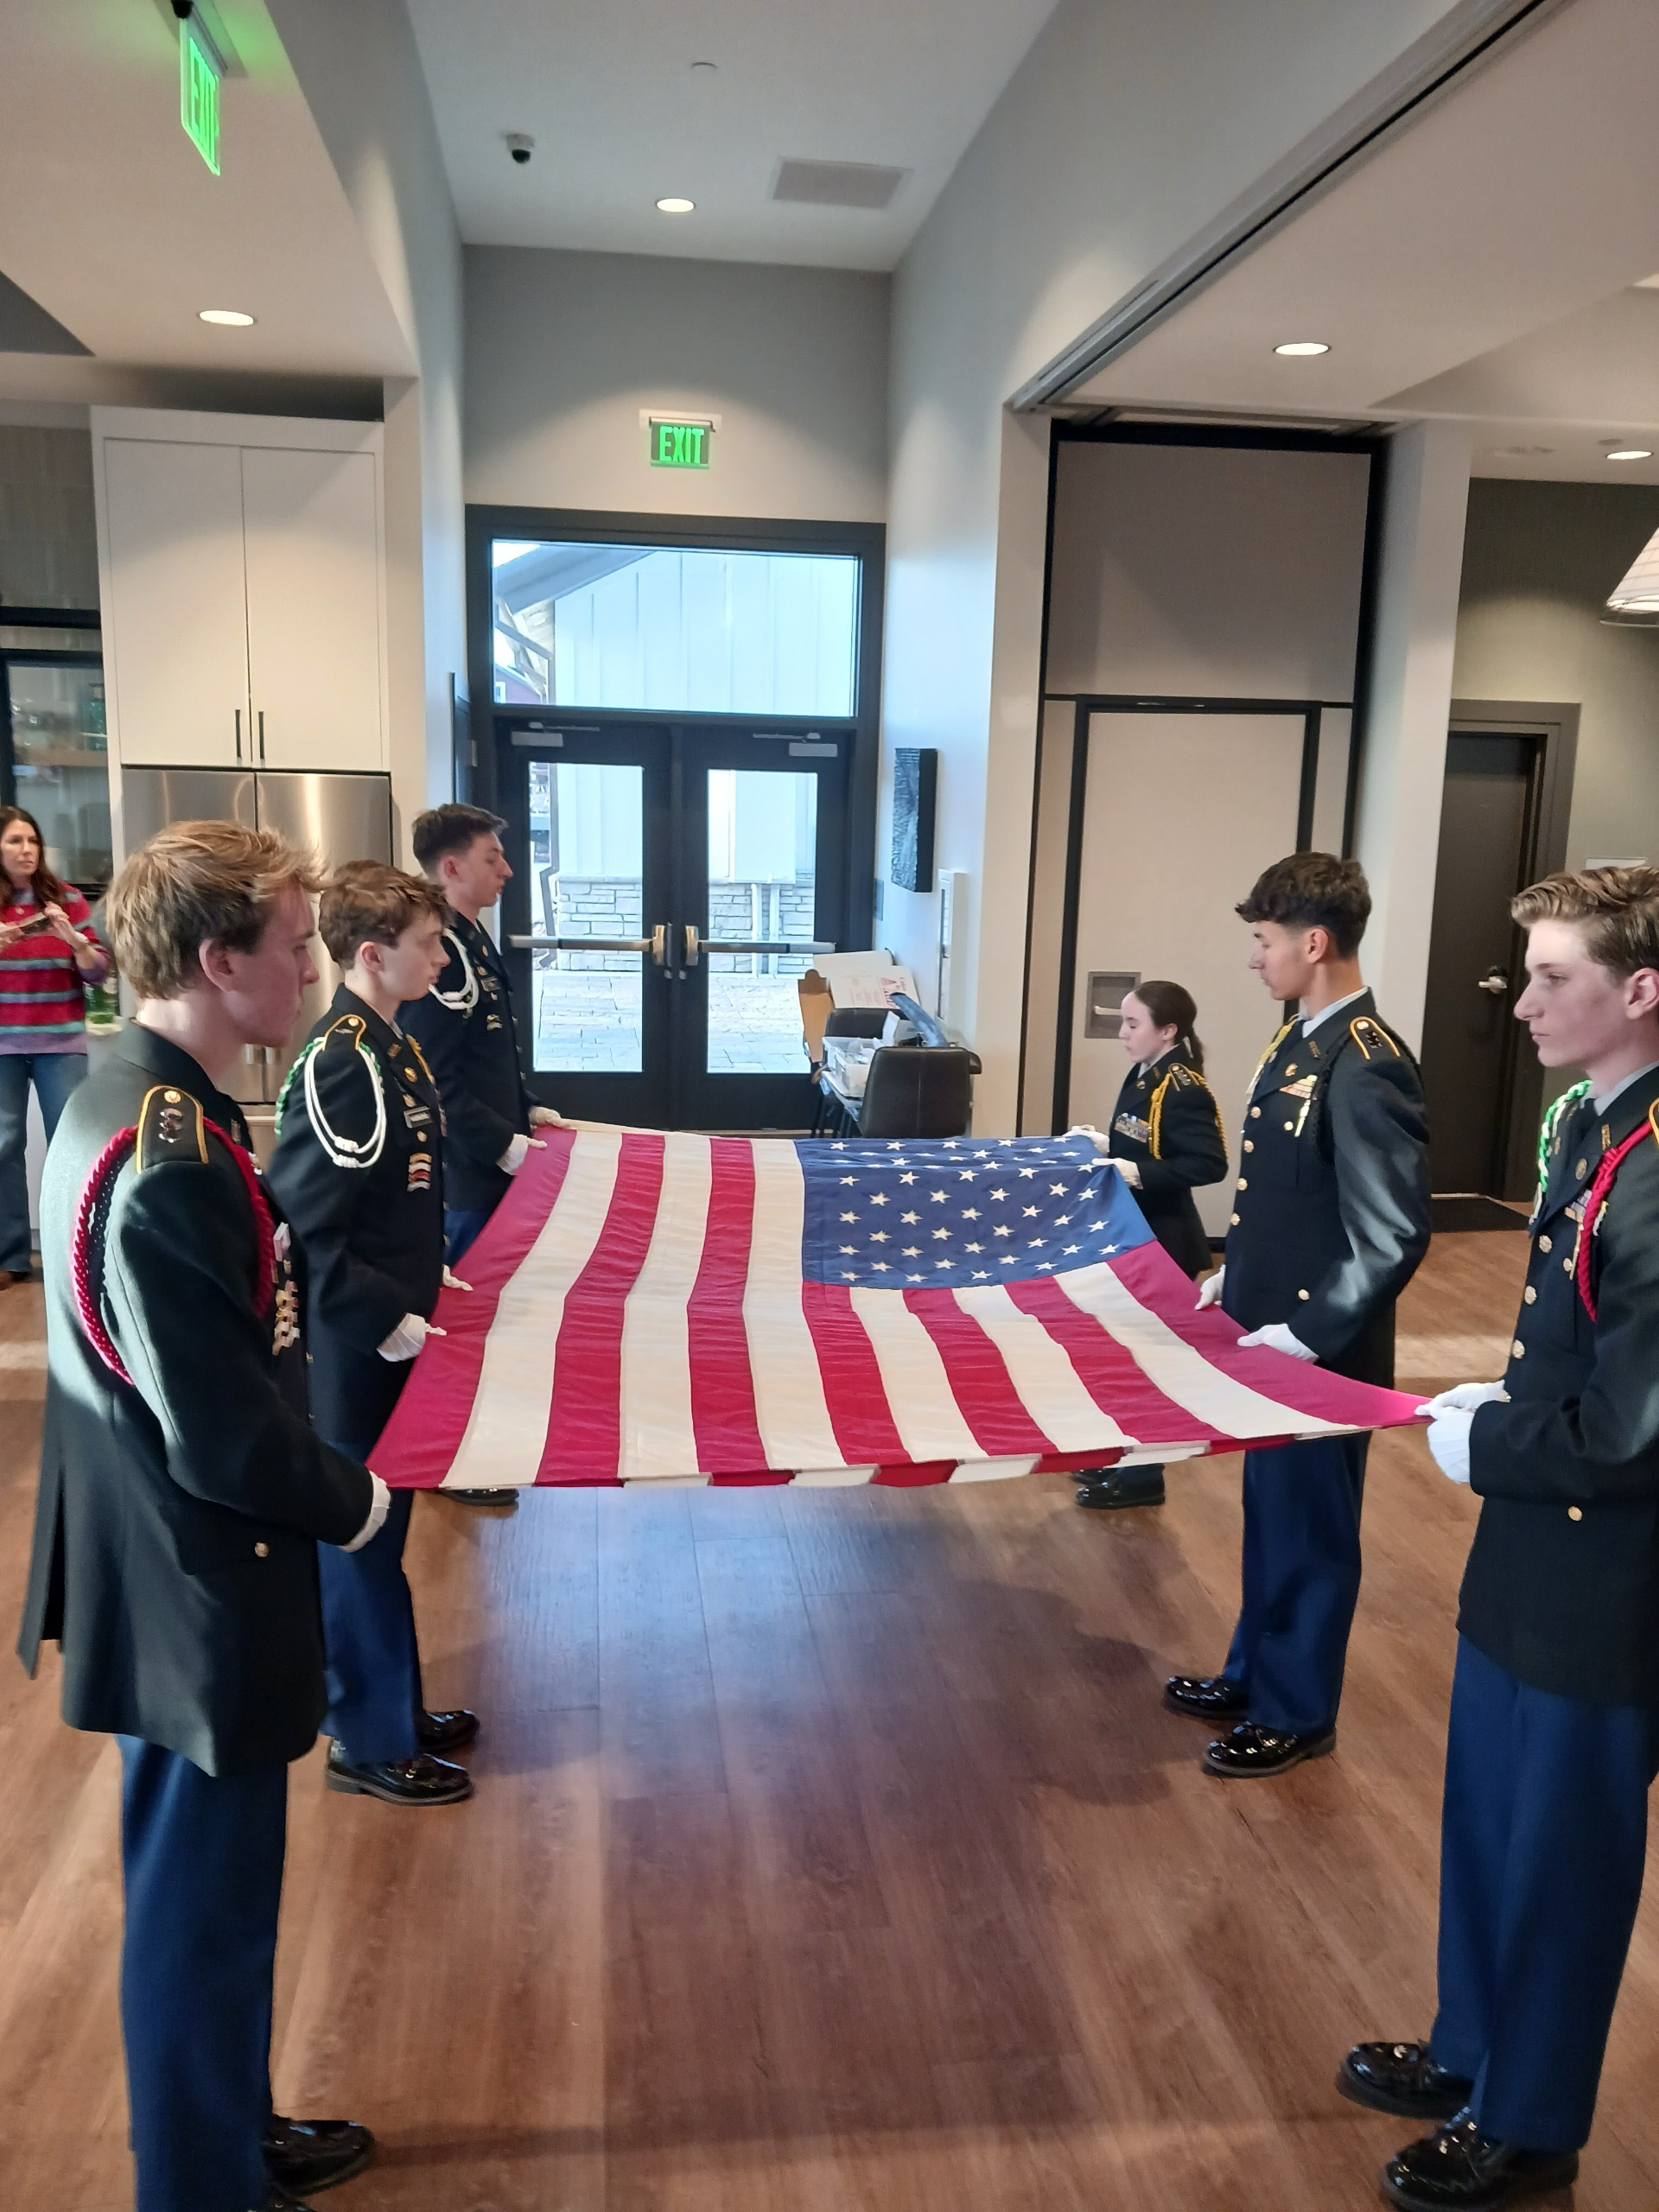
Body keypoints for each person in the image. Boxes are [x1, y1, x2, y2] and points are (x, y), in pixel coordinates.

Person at [16, 819, 387, 2212]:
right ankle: (196, 2177)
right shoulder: (168, 1150)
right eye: (295, 948)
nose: (310, 969)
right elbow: (222, 1430)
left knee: (212, 1887)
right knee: (204, 1903)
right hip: (192, 1574)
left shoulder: (134, 1096)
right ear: (222, 962)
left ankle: (226, 2128)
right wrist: (359, 1500)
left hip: (158, 1560)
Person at [1342, 865, 1659, 2212]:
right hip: (1536, 1555)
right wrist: (1505, 1400)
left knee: (1562, 1859)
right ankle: (1474, 2046)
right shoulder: (1599, 1127)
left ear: (1640, 991)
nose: (1517, 999)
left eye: (1552, 978)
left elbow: (1635, 1433)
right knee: (1487, 1821)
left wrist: (1493, 1443)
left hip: (1611, 1574)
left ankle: (1530, 2122)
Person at [1165, 852, 1431, 1778]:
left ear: (1313, 943)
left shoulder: (1366, 1063)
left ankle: (1298, 1709)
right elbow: (1283, 1198)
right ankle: (1254, 1669)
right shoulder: (1298, 1041)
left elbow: (1390, 1233)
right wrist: (1234, 1278)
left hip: (1325, 1349)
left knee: (1313, 1527)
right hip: (1270, 1330)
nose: (1255, 959)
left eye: (1264, 940)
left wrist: (1309, 1332)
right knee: (1270, 1511)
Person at [266, 862, 478, 1809]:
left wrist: (429, 1276)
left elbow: (402, 1188)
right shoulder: (343, 1058)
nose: (442, 954)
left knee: (386, 1532)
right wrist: (384, 1319)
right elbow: (309, 1224)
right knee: (359, 1536)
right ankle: (367, 1737)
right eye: (428, 943)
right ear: (370, 954)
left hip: (396, 1326)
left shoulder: (389, 1042)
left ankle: (392, 1702)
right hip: (354, 1351)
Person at [403, 803, 563, 1509]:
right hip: (468, 1170)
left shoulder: (470, 939)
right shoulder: (440, 955)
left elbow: (491, 1046)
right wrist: (500, 1144)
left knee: (489, 1307)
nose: (507, 869)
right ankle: (449, 1455)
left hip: (494, 1154)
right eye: (493, 857)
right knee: (461, 1313)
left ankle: (478, 1433)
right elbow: (437, 1075)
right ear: (452, 867)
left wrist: (525, 1105)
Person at [1071, 979, 1228, 1510]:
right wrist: (1104, 1145)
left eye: (1133, 1024)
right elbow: (1138, 1137)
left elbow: (1209, 1164)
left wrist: (1135, 1172)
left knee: (1145, 1363)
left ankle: (1143, 1477)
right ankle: (1115, 1454)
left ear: (1168, 1031)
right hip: (1130, 1235)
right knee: (1118, 1354)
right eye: (1123, 1022)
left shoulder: (1182, 1086)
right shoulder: (1145, 1071)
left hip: (1164, 1241)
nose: (1122, 1034)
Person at [0, 803, 111, 1287]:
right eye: (14, 841)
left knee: (69, 1144)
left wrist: (76, 942)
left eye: (32, 841)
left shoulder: (66, 900)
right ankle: (10, 1257)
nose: (26, 850)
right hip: (2, 1044)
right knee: (3, 1146)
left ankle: (74, 1250)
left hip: (61, 1043)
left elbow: (98, 972)